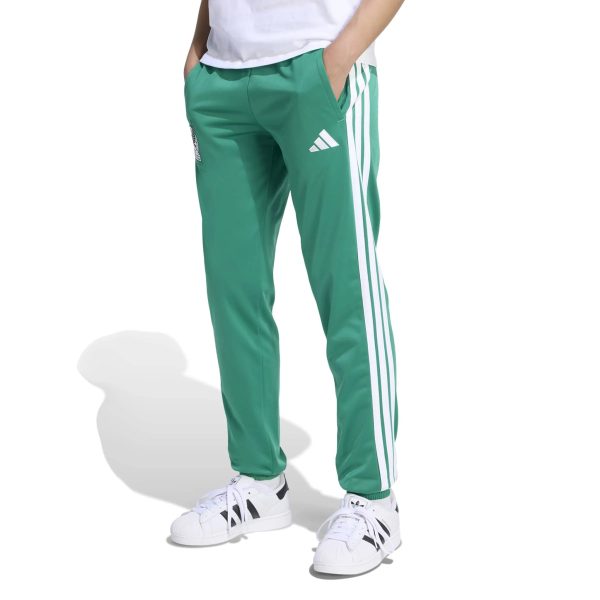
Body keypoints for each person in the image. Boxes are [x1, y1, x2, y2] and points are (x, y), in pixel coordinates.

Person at [170, 0, 405, 575]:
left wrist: (338, 59)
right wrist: (199, 50)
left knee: (347, 288)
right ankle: (258, 483)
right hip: (223, 79)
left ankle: (374, 501)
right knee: (234, 290)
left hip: (319, 67)